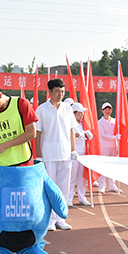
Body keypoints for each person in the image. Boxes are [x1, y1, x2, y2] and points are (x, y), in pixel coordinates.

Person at [35, 78, 77, 231]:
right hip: (48, 154)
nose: (60, 94)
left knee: (63, 187)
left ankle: (61, 218)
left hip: (65, 154)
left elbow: (72, 129)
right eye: (57, 91)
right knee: (50, 188)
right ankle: (50, 219)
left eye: (62, 92)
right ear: (50, 92)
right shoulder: (41, 109)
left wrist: (73, 150)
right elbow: (37, 133)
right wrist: (39, 155)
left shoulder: (67, 108)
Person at [69, 102, 93, 206]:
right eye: (79, 113)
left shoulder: (84, 123)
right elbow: (70, 135)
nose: (81, 115)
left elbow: (90, 137)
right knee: (72, 177)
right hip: (74, 154)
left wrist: (88, 134)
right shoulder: (70, 123)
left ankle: (82, 197)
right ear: (74, 113)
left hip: (83, 153)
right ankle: (69, 198)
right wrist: (77, 134)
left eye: (82, 113)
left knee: (81, 177)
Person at [97, 102, 121, 194]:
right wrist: (114, 137)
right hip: (105, 146)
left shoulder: (115, 121)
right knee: (103, 166)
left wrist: (117, 138)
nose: (107, 111)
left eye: (109, 109)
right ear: (102, 111)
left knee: (113, 166)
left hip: (114, 146)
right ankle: (102, 185)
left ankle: (112, 185)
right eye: (106, 109)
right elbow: (102, 135)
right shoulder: (100, 122)